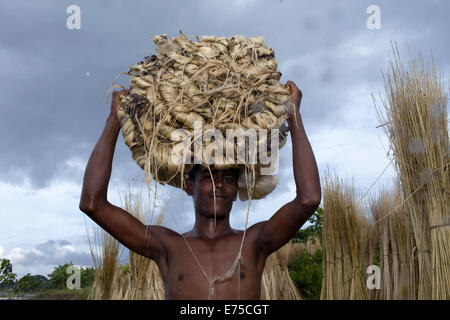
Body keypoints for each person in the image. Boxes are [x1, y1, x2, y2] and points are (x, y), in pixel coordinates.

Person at [79, 81, 321, 299]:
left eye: (227, 177)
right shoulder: (167, 246)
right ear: (188, 186)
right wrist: (114, 120)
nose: (219, 184)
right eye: (207, 175)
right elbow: (93, 204)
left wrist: (293, 116)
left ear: (236, 190)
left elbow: (308, 199)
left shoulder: (254, 243)